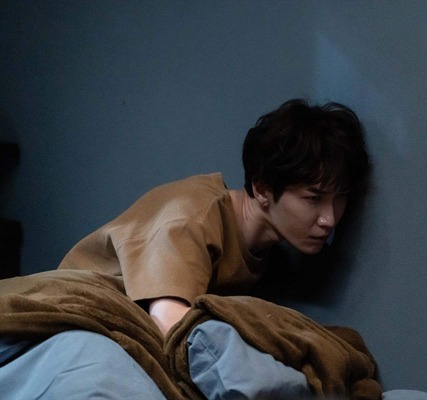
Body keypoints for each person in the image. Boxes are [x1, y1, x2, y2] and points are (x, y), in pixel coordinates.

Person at [58, 98, 370, 336]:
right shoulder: (194, 217)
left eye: (340, 197)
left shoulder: (264, 251)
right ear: (262, 189)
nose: (329, 220)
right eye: (313, 199)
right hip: (70, 314)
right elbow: (170, 322)